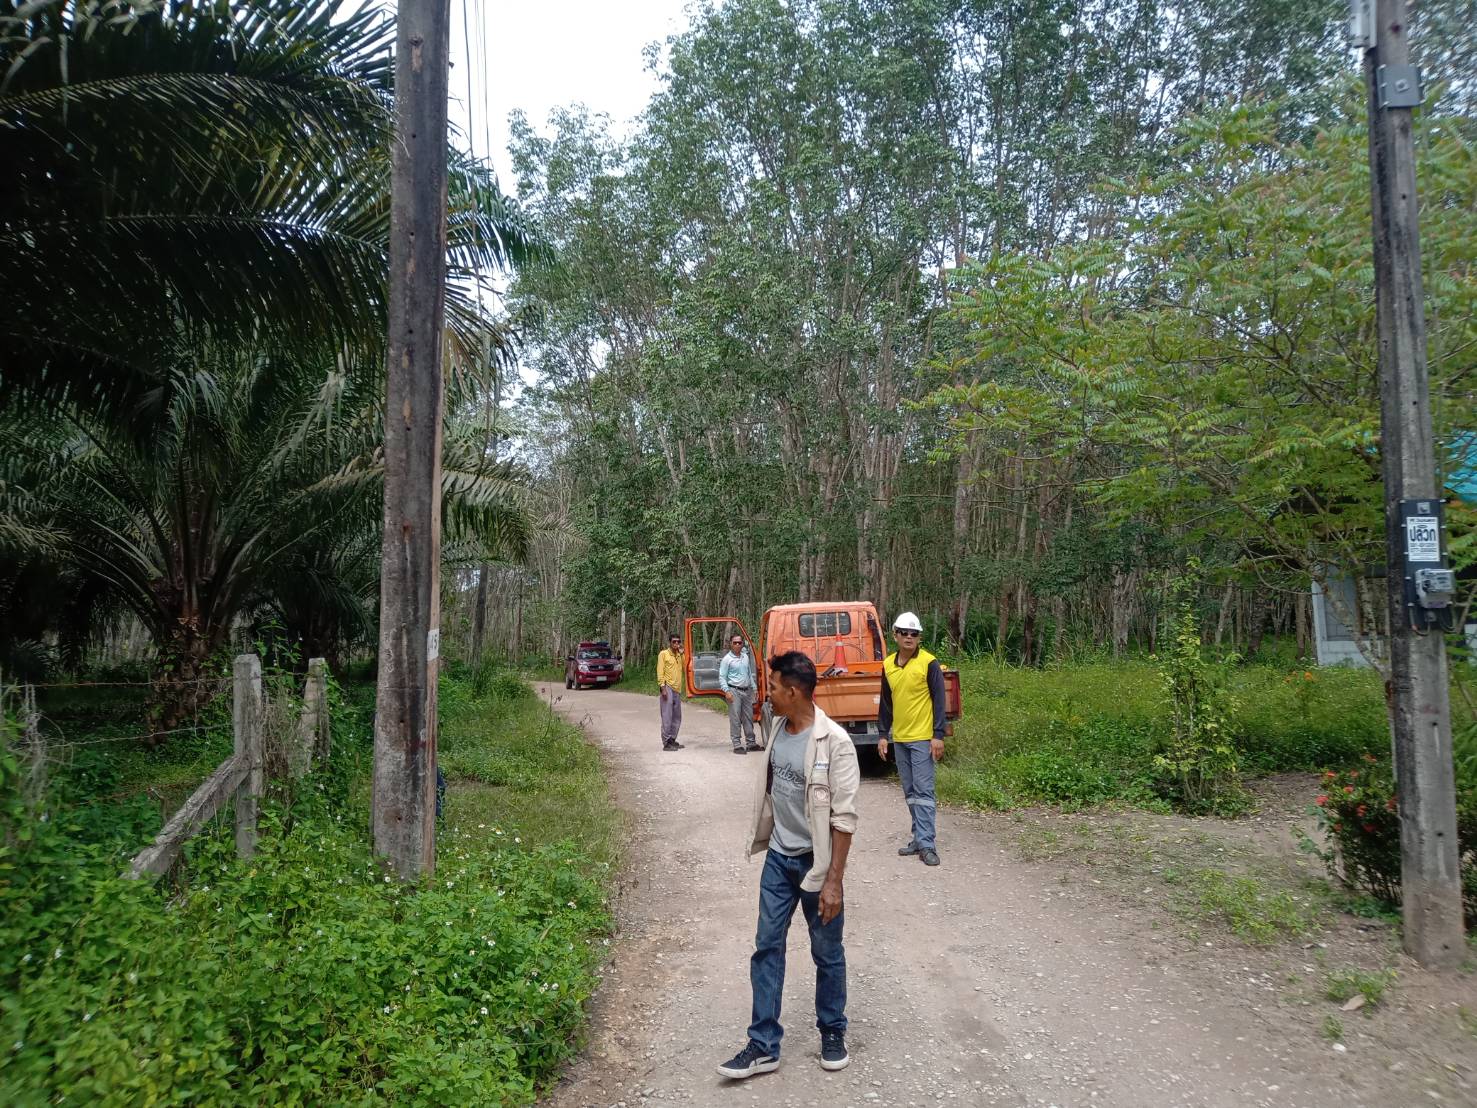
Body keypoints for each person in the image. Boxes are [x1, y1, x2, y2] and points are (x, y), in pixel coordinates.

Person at [716, 651, 859, 1081]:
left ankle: (832, 1031)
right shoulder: (776, 727)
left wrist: (833, 880)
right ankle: (763, 1046)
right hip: (779, 859)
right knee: (767, 947)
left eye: (774, 687)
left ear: (793, 691)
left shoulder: (835, 743)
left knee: (827, 952)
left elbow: (844, 819)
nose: (769, 693)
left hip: (816, 868)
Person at [877, 611, 946, 867]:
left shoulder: (929, 663)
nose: (909, 637)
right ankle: (918, 837)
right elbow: (886, 703)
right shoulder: (888, 665)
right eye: (904, 633)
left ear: (919, 637)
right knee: (910, 791)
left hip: (923, 738)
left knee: (924, 791)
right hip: (900, 738)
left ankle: (927, 844)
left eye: (913, 633)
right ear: (895, 635)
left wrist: (938, 735)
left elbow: (940, 700)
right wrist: (883, 734)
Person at [719, 633, 761, 754]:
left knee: (748, 717)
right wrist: (727, 691)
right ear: (731, 644)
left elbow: (749, 673)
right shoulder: (727, 660)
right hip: (734, 691)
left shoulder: (745, 657)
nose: (737, 645)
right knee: (736, 718)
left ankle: (751, 743)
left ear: (742, 644)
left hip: (746, 691)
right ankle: (737, 744)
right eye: (735, 643)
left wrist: (754, 688)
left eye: (740, 643)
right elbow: (722, 677)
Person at [656, 633, 685, 751]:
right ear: (670, 642)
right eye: (674, 642)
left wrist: (682, 653)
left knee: (677, 716)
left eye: (678, 641)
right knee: (667, 716)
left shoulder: (679, 655)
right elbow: (660, 671)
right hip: (668, 687)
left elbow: (685, 666)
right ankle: (666, 742)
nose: (676, 644)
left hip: (677, 689)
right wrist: (662, 688)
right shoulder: (664, 654)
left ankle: (672, 739)